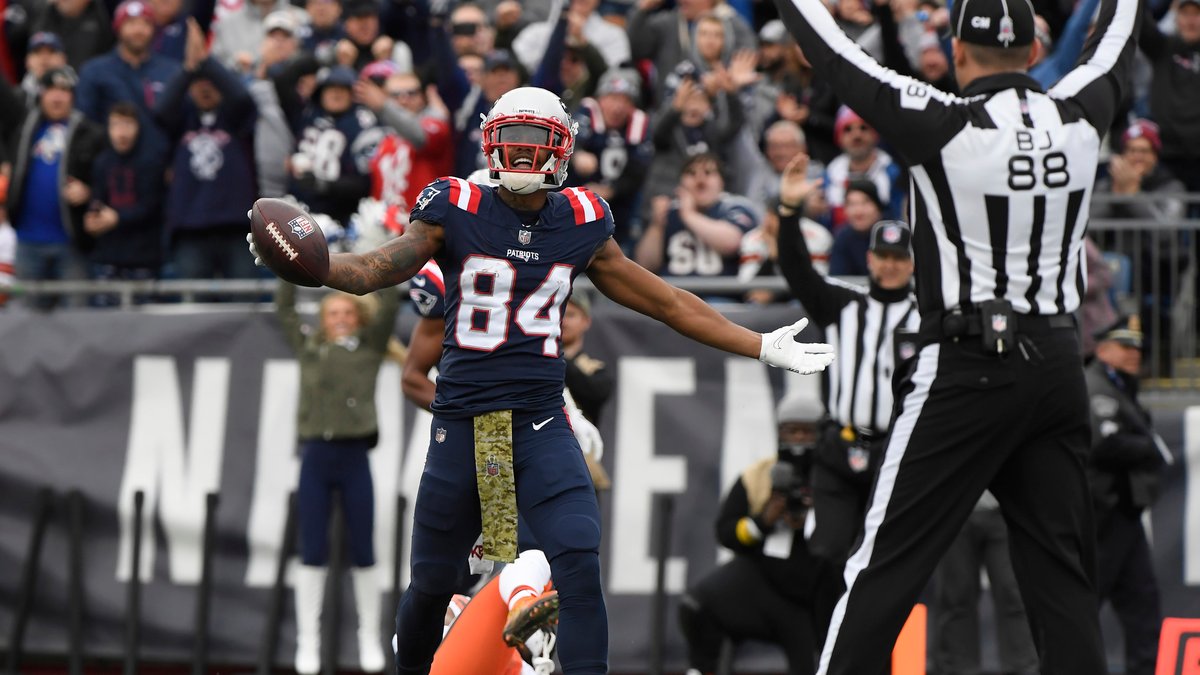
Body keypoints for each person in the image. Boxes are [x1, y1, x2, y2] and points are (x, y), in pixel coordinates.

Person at [249, 86, 834, 675]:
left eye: (536, 143)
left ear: (560, 150)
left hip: (537, 419)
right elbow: (375, 270)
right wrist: (317, 268)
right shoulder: (455, 206)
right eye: (512, 141)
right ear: (490, 142)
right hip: (468, 426)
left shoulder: (580, 219)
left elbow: (669, 303)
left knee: (577, 557)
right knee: (431, 583)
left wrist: (760, 344)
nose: (523, 156)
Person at [770, 0, 1142, 668]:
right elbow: (1115, 40)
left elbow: (837, 54)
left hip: (970, 360)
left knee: (884, 563)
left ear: (958, 53)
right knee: (1062, 579)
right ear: (1033, 52)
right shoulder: (1082, 117)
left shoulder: (944, 123)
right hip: (1060, 364)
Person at [773, 154, 919, 568]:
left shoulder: (926, 317)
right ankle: (826, 635)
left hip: (896, 452)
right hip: (840, 447)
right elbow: (797, 270)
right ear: (870, 259)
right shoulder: (843, 304)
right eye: (883, 257)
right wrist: (788, 212)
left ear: (911, 264)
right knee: (827, 555)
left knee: (889, 561)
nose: (889, 266)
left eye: (899, 258)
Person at [275, 280, 401, 674]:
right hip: (315, 456)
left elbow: (390, 302)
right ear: (323, 320)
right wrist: (287, 266)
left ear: (358, 317)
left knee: (363, 549)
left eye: (348, 313)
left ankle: (369, 635)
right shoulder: (310, 348)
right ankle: (307, 641)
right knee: (312, 549)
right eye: (333, 314)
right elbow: (286, 310)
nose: (341, 319)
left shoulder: (368, 348)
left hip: (354, 457)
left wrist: (378, 251)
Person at [677, 391, 838, 675]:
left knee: (820, 660)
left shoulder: (838, 478)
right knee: (695, 605)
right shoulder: (759, 475)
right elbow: (726, 533)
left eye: (807, 431)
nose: (799, 439)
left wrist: (821, 514)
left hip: (817, 593)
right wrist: (764, 519)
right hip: (766, 581)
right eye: (792, 431)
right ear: (779, 432)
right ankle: (702, 669)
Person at [1085, 315, 1168, 675]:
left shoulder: (1122, 386)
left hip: (1125, 515)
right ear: (1103, 349)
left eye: (1138, 347)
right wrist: (1151, 447)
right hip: (1101, 513)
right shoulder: (1094, 385)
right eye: (1126, 347)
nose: (1135, 354)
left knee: (1143, 604)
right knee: (1088, 603)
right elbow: (1105, 442)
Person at [0, 65, 104, 310]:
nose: (57, 97)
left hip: (70, 243)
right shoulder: (24, 126)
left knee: (75, 321)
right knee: (25, 321)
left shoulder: (90, 133)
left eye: (64, 90)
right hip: (27, 241)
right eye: (51, 90)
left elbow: (106, 180)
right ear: (40, 94)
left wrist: (90, 193)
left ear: (73, 96)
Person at [931, 492, 1039, 675]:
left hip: (1005, 509)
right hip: (954, 506)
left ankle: (1024, 669)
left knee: (1013, 593)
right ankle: (959, 670)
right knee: (956, 596)